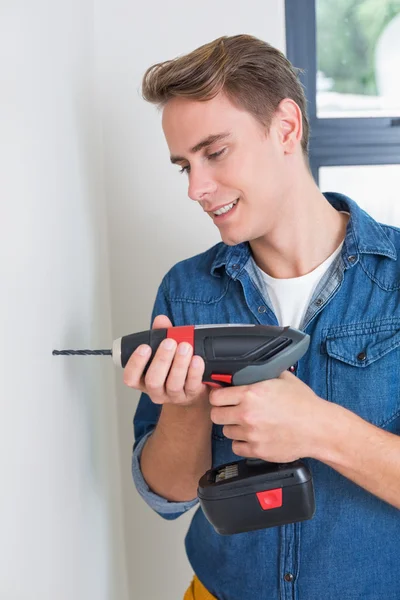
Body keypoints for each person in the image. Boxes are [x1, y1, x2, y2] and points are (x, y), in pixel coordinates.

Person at [124, 34, 400, 600]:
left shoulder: (394, 284)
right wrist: (183, 410)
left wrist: (320, 428)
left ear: (286, 128)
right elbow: (168, 497)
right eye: (185, 167)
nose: (197, 189)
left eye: (216, 152)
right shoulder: (187, 291)